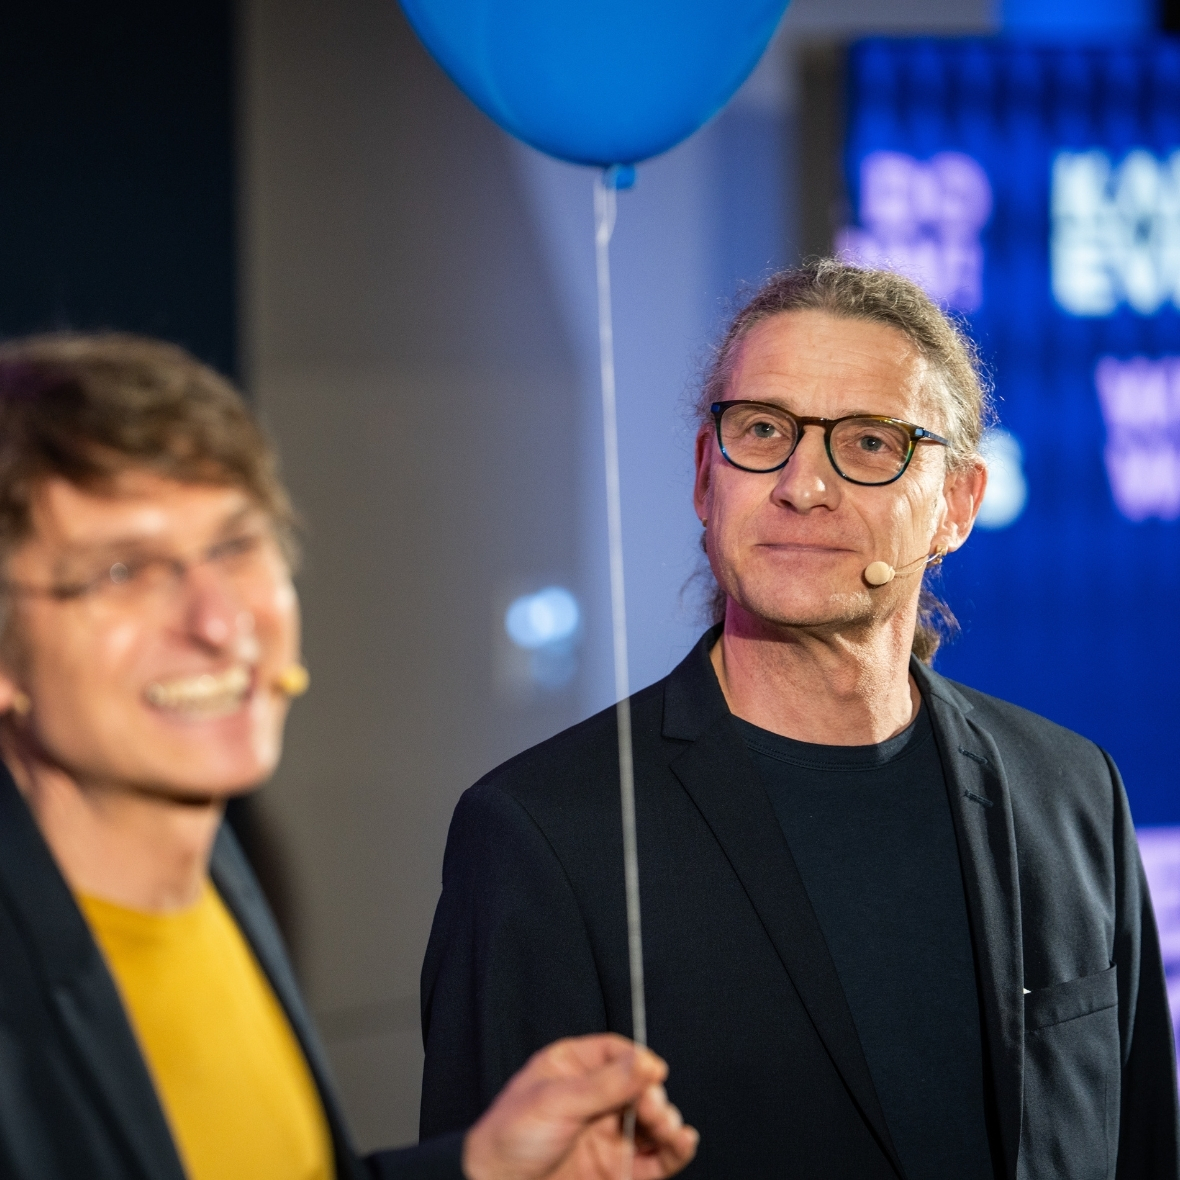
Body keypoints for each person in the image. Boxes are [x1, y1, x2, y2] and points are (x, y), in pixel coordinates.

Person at [420, 261, 1180, 1179]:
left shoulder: (1071, 791)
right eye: (763, 431)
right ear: (706, 477)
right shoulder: (543, 833)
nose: (802, 484)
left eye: (869, 443)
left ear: (957, 504)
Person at [0, 333, 698, 1180]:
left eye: (234, 546)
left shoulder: (217, 872)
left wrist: (479, 1169)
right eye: (123, 571)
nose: (219, 622)